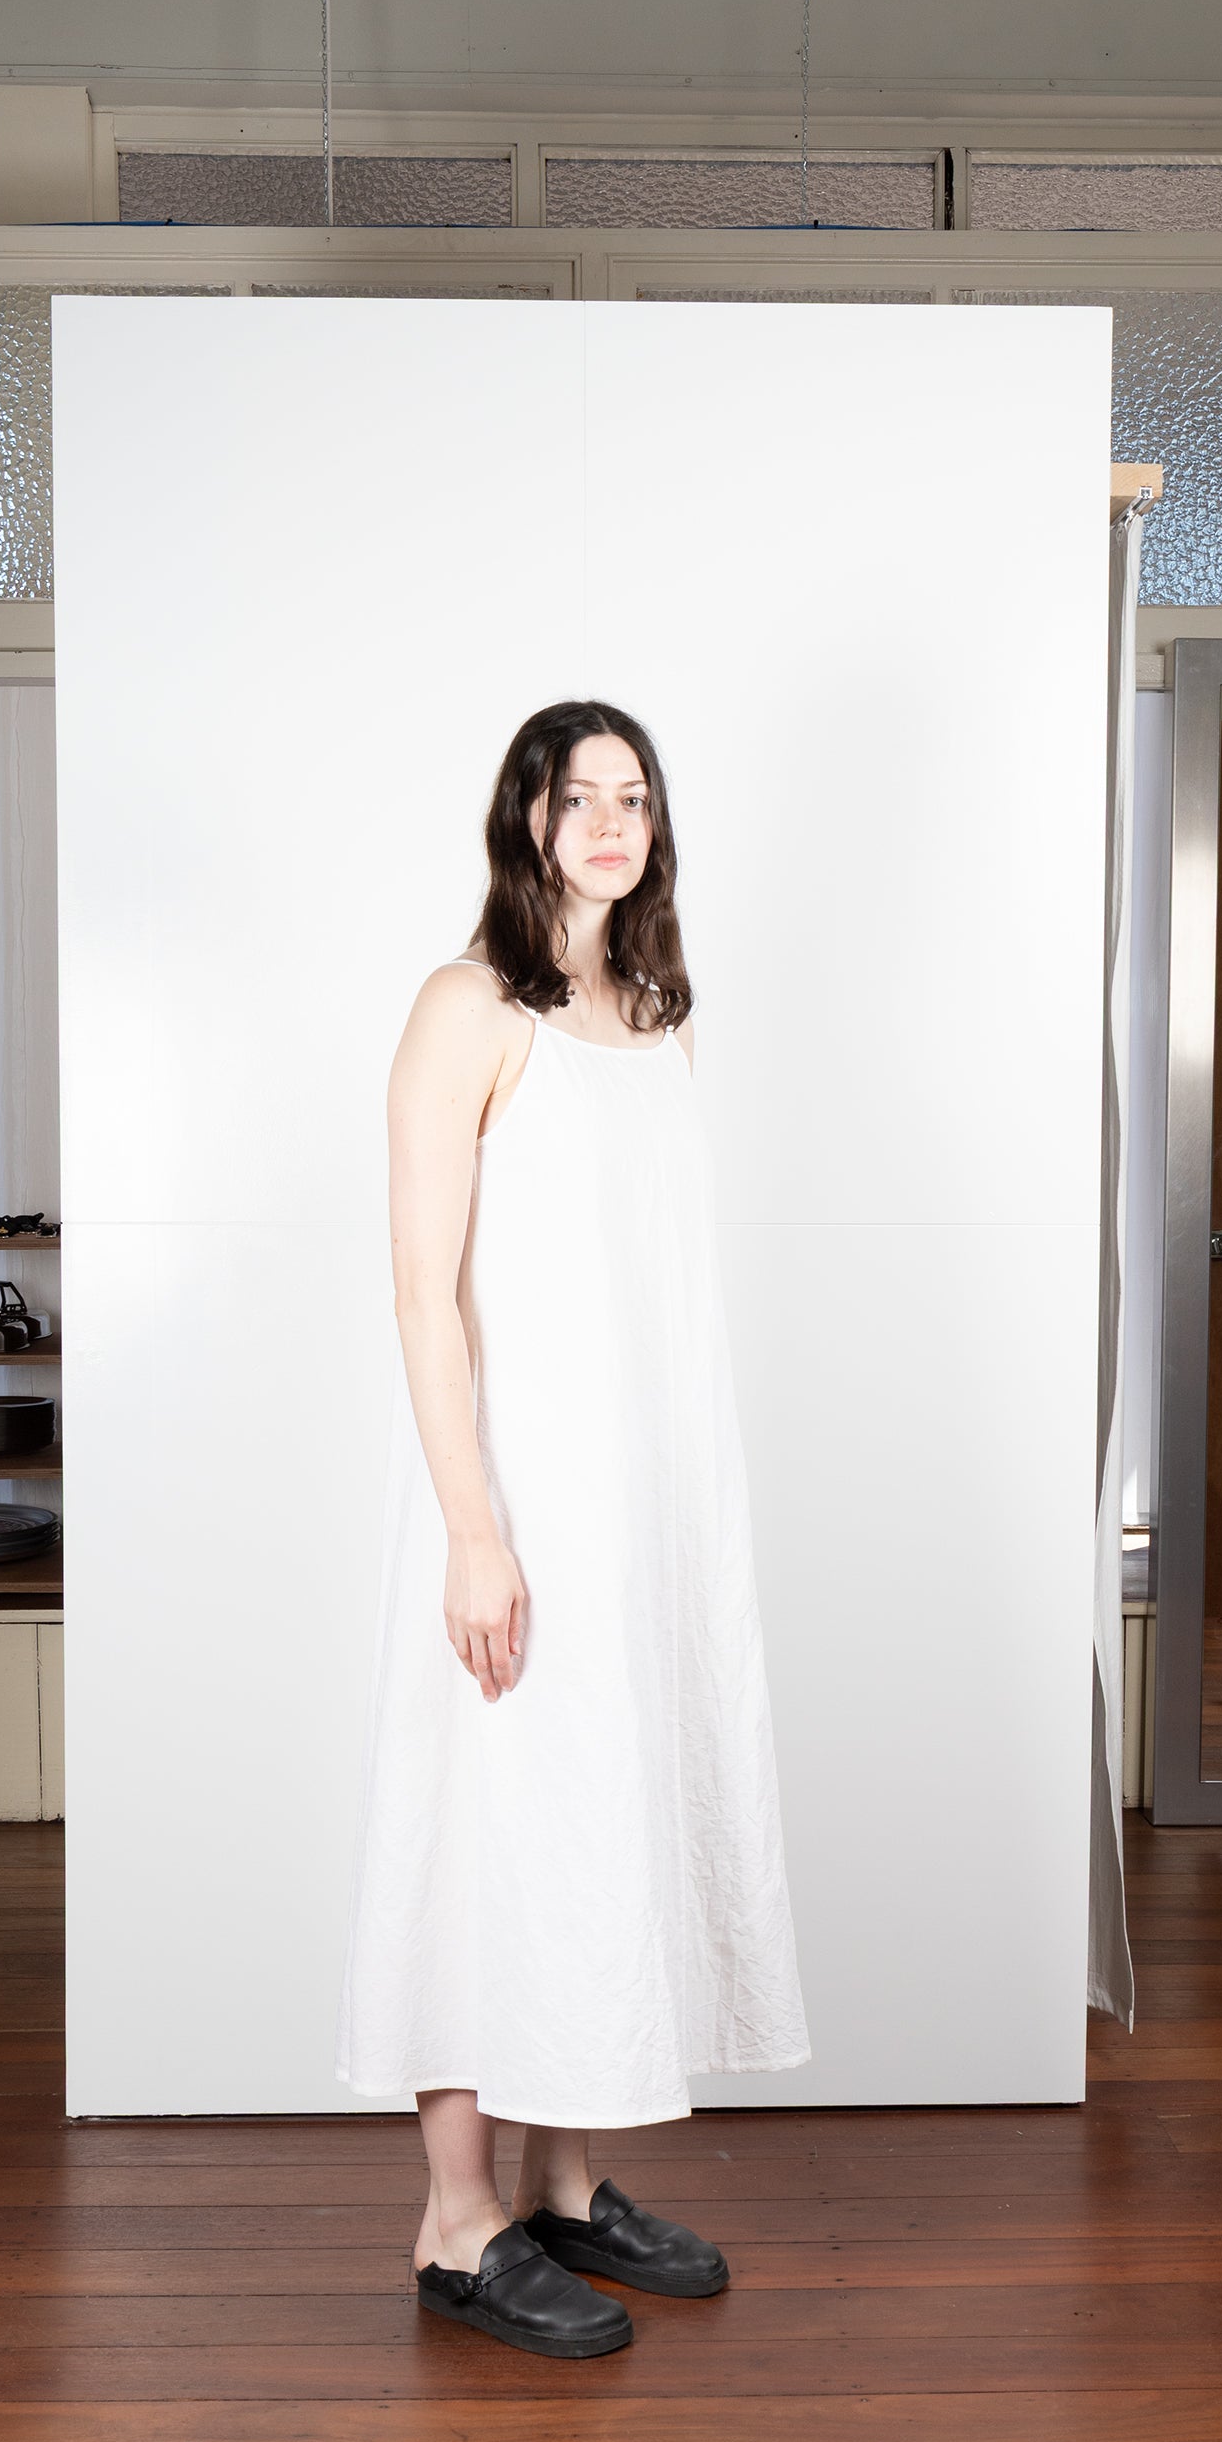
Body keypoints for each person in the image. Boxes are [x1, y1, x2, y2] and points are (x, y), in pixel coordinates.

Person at [332, 697, 813, 2358]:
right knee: (481, 1835)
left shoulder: (654, 1014)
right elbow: (422, 1293)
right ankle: (457, 2221)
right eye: (579, 796)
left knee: (594, 1821)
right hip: (511, 1494)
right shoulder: (465, 1007)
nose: (612, 823)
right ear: (525, 818)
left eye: (636, 797)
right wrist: (476, 1532)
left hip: (638, 1506)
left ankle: (564, 2187)